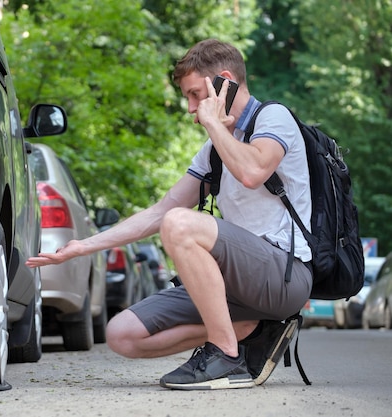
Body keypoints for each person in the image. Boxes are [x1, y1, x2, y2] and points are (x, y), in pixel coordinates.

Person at [26, 39, 313, 391]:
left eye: (195, 95)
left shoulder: (273, 117)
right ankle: (248, 330)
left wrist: (214, 125)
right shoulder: (215, 150)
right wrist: (83, 246)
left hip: (283, 277)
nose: (191, 108)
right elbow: (160, 211)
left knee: (180, 225)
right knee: (122, 334)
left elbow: (253, 172)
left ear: (224, 81)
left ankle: (225, 354)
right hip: (234, 286)